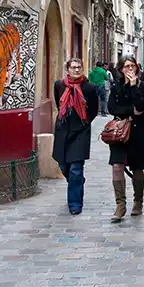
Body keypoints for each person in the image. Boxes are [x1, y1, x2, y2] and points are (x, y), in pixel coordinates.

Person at [107, 57, 144, 222]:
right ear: (121, 69)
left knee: (137, 168)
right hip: (120, 132)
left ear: (137, 69)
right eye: (126, 66)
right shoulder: (115, 86)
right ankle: (120, 205)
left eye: (132, 66)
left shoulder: (142, 86)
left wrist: (132, 88)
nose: (130, 69)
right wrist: (130, 111)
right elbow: (112, 108)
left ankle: (138, 202)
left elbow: (141, 106)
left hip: (138, 132)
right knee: (117, 166)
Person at [54, 58, 100, 215]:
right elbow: (58, 103)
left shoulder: (89, 88)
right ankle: (77, 182)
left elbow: (94, 109)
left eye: (79, 67)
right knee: (63, 165)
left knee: (75, 168)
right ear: (68, 69)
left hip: (80, 131)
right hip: (62, 130)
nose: (76, 70)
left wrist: (85, 123)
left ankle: (75, 204)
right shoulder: (59, 85)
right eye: (73, 67)